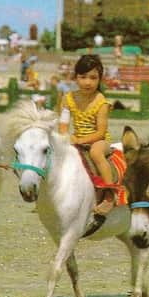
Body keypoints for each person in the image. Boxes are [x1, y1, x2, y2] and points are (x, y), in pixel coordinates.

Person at [58, 54, 115, 216]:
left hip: (99, 140)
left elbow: (100, 132)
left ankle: (110, 194)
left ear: (100, 79)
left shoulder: (101, 102)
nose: (87, 82)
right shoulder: (68, 99)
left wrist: (79, 140)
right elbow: (63, 125)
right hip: (76, 138)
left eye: (93, 78)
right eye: (83, 77)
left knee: (95, 153)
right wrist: (64, 138)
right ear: (76, 77)